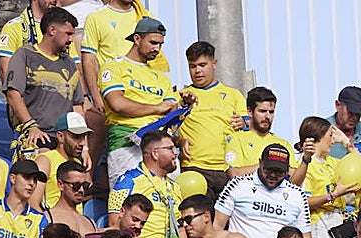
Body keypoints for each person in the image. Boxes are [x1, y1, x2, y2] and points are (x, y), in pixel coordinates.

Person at [98, 17, 178, 183]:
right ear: (137, 38)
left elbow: (171, 109)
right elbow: (117, 104)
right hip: (126, 143)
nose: (157, 49)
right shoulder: (113, 67)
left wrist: (184, 103)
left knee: (168, 200)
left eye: (160, 44)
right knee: (128, 201)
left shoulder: (162, 78)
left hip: (160, 144)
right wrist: (156, 108)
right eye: (153, 42)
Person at [216, 143, 312, 238]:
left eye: (279, 172)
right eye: (268, 169)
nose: (272, 175)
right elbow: (217, 228)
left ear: (288, 170)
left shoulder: (297, 195)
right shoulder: (238, 185)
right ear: (260, 163)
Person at [6, 5, 85, 144]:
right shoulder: (25, 55)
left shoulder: (70, 63)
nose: (71, 39)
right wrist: (31, 125)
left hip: (65, 140)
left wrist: (84, 145)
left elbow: (77, 106)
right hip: (35, 135)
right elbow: (13, 94)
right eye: (68, 33)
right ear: (52, 30)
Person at [177, 40, 246, 198]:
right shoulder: (180, 97)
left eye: (202, 65)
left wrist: (244, 122)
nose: (197, 71)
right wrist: (179, 141)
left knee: (226, 222)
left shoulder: (233, 94)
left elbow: (250, 128)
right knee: (199, 219)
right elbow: (166, 132)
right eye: (192, 66)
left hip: (228, 169)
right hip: (194, 168)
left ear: (214, 64)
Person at [228, 86, 293, 176]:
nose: (267, 116)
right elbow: (233, 174)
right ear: (250, 111)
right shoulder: (236, 139)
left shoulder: (283, 144)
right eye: (262, 111)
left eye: (271, 112)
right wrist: (268, 165)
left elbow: (294, 178)